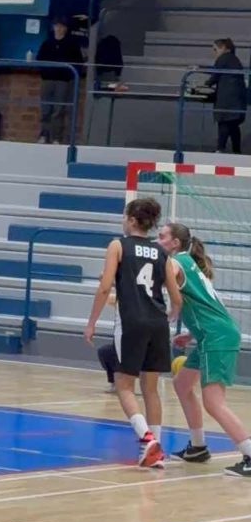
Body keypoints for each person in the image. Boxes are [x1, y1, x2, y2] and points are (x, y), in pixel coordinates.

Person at [84, 197, 182, 468]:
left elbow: (105, 287)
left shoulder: (118, 245)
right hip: (158, 323)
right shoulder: (161, 252)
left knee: (124, 384)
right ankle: (156, 450)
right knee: (151, 389)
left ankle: (146, 438)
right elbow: (176, 296)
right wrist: (172, 312)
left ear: (130, 219)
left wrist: (91, 322)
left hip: (131, 322)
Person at [158, 221, 251, 477]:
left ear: (175, 243)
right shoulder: (190, 264)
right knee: (181, 384)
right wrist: (192, 333)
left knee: (213, 402)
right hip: (212, 334)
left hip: (216, 337)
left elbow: (164, 276)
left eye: (162, 236)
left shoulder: (177, 262)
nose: (158, 240)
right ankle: (198, 447)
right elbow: (209, 305)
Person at [36, 17, 83, 144]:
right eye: (57, 26)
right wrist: (45, 72)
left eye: (62, 26)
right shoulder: (47, 44)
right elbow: (39, 59)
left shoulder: (72, 45)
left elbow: (78, 63)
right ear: (53, 27)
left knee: (58, 110)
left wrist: (68, 75)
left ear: (66, 29)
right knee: (45, 109)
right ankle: (44, 135)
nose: (59, 29)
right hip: (47, 80)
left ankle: (56, 137)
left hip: (63, 81)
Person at [206, 38, 247, 155]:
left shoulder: (224, 59)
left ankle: (220, 149)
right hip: (237, 99)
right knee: (233, 125)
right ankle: (236, 151)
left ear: (223, 48)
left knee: (224, 122)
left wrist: (206, 84)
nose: (215, 53)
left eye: (215, 49)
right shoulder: (234, 59)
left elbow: (214, 76)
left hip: (227, 100)